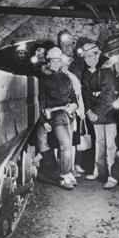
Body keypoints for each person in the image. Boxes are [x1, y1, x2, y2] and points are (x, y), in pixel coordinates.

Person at [36, 47, 78, 190]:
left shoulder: (66, 78)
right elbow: (41, 102)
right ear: (48, 61)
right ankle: (64, 175)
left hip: (68, 115)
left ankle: (69, 171)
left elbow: (73, 96)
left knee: (69, 144)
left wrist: (74, 105)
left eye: (59, 60)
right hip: (55, 115)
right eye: (53, 61)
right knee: (65, 145)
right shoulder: (44, 79)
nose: (56, 63)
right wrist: (44, 121)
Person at [80, 42, 118, 188]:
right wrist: (89, 111)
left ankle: (113, 176)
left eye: (92, 56)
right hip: (94, 114)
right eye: (86, 57)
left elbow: (108, 95)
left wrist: (96, 113)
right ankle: (100, 172)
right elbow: (85, 93)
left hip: (108, 114)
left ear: (97, 55)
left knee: (111, 146)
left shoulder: (107, 71)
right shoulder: (86, 72)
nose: (89, 59)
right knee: (99, 144)